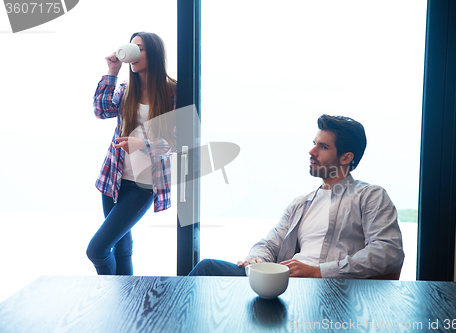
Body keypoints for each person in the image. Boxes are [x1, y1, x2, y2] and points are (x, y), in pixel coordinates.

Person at [189, 115, 404, 278]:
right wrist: (256, 260)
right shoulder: (302, 203)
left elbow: (388, 252)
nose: (312, 151)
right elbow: (270, 244)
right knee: (208, 269)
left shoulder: (370, 196)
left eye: (323, 146)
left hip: (331, 288)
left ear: (346, 157)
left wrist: (318, 271)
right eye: (314, 143)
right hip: (284, 281)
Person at [87, 32, 177, 275]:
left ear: (155, 54)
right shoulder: (126, 88)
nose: (134, 52)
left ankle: (109, 295)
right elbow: (101, 110)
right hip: (113, 179)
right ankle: (123, 307)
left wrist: (141, 143)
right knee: (121, 249)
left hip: (143, 186)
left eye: (141, 48)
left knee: (96, 250)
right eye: (133, 47)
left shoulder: (173, 93)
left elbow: (177, 143)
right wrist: (112, 71)